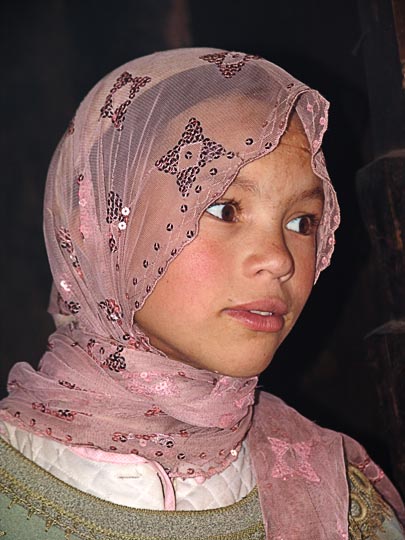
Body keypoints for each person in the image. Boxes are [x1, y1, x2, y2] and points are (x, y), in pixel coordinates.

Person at [0, 48, 403, 540]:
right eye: (225, 209)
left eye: (302, 222)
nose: (280, 259)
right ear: (105, 228)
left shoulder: (343, 500)